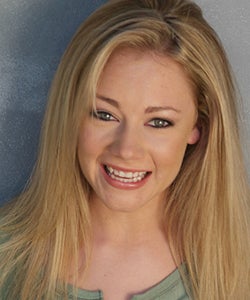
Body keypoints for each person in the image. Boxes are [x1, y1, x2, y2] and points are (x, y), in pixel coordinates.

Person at [0, 0, 249, 299]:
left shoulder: (238, 266)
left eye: (158, 122)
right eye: (104, 114)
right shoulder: (6, 256)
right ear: (71, 114)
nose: (126, 150)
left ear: (199, 126)